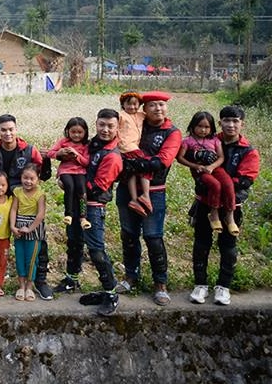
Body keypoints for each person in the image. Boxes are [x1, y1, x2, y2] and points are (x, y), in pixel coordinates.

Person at [115, 90, 182, 306]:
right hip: (126, 188)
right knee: (128, 234)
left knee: (153, 237)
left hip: (155, 191)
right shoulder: (134, 123)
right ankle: (130, 277)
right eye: (152, 105)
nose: (157, 109)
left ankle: (160, 283)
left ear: (167, 108)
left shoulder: (171, 132)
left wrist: (133, 164)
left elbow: (162, 161)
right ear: (145, 109)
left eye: (161, 105)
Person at [190, 105, 259, 306]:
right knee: (201, 243)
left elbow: (246, 179)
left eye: (235, 121)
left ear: (242, 124)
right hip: (204, 202)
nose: (230, 125)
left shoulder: (248, 151)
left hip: (232, 205)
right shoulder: (208, 141)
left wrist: (220, 182)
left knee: (228, 246)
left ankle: (223, 286)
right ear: (219, 122)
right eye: (226, 121)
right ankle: (200, 284)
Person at [0, 114, 53, 300]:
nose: (7, 133)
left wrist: (47, 160)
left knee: (38, 242)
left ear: (16, 129)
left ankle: (40, 281)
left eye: (11, 129)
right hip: (3, 200)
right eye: (3, 130)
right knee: (2, 238)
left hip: (27, 200)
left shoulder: (30, 150)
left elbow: (42, 174)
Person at [72, 109, 123, 316]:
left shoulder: (112, 157)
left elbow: (97, 187)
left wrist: (73, 186)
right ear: (96, 123)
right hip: (80, 203)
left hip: (93, 207)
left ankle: (111, 293)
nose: (105, 129)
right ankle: (98, 288)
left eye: (110, 126)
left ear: (117, 127)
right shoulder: (94, 145)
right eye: (102, 125)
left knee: (96, 250)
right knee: (77, 243)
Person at [177, 111, 235, 235]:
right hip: (200, 171)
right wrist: (195, 165)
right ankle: (214, 213)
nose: (203, 130)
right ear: (193, 126)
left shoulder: (214, 140)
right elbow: (180, 158)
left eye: (207, 127)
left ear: (212, 128)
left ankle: (230, 215)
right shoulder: (187, 141)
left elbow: (221, 157)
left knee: (229, 184)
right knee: (215, 185)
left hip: (215, 168)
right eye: (200, 126)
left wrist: (212, 167)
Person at [9, 163, 46, 302]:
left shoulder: (40, 193)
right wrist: (13, 226)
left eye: (32, 178)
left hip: (34, 227)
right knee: (19, 257)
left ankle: (29, 286)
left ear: (38, 180)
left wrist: (30, 228)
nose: (28, 181)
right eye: (25, 178)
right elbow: (13, 209)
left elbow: (40, 214)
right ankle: (21, 285)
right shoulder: (17, 192)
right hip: (19, 226)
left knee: (31, 259)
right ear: (21, 177)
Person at [46, 117, 91, 230]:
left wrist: (76, 155)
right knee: (69, 187)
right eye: (73, 132)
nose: (76, 135)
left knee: (81, 189)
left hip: (80, 171)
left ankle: (83, 217)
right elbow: (50, 153)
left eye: (80, 132)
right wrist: (59, 153)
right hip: (65, 171)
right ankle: (68, 214)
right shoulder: (63, 142)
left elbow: (86, 162)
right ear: (68, 131)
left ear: (85, 132)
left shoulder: (86, 145)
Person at [118, 91, 151, 216]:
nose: (132, 107)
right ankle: (145, 195)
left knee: (131, 172)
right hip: (127, 147)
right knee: (146, 166)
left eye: (135, 104)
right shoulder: (120, 115)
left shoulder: (141, 115)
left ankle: (133, 199)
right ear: (123, 105)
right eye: (129, 104)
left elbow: (153, 116)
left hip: (133, 147)